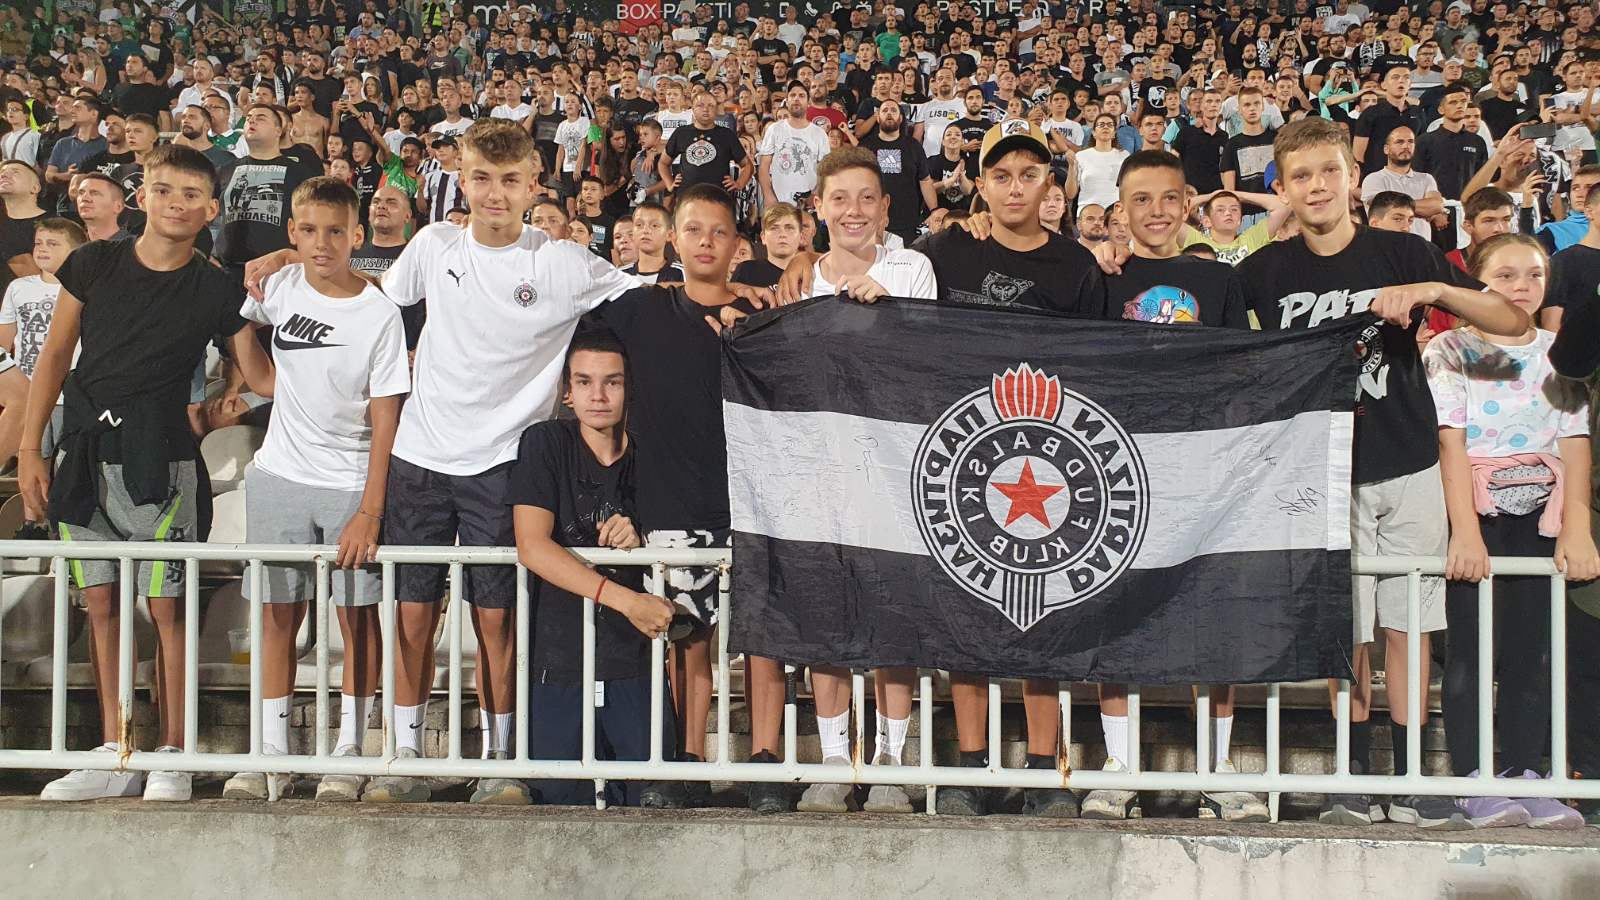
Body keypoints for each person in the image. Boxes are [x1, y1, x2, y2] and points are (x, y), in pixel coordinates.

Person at [246, 119, 643, 806]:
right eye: (482, 179)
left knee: (497, 622)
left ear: (534, 185)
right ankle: (403, 755)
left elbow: (651, 297)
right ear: (462, 180)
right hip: (418, 457)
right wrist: (294, 255)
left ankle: (500, 761)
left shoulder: (564, 263)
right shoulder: (432, 244)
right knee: (412, 614)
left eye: (510, 181)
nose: (495, 194)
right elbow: (366, 296)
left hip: (504, 466)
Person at [1236, 117, 1528, 830]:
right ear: (1282, 188)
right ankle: (1352, 776)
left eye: (1328, 172)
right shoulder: (1264, 270)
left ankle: (1411, 777)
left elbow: (1509, 321)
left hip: (1407, 458)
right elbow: (1196, 319)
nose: (1316, 187)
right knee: (1349, 633)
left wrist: (1434, 288)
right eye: (1300, 176)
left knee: (1410, 628)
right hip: (1322, 471)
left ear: (1352, 180)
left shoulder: (1401, 250)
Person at [28, 144, 274, 802]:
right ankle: (117, 751)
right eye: (164, 190)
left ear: (211, 209)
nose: (176, 204)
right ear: (142, 196)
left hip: (164, 462)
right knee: (101, 605)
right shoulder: (93, 262)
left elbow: (262, 377)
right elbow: (54, 355)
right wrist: (30, 450)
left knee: (168, 610)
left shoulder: (217, 287)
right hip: (83, 456)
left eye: (191, 194)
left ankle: (174, 752)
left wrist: (223, 413)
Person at [578, 184, 783, 814]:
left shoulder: (763, 316)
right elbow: (569, 328)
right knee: (686, 640)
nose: (706, 243)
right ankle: (687, 761)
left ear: (738, 244)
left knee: (764, 642)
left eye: (719, 232)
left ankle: (767, 765)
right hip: (669, 503)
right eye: (693, 230)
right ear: (673, 239)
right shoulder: (641, 309)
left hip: (756, 504)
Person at [1078, 149, 1257, 823]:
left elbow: (1243, 370)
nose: (1155, 211)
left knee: (1213, 613)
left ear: (1188, 205)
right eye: (1140, 200)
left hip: (1203, 466)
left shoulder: (1217, 280)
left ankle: (1218, 767)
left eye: (1168, 198)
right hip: (1119, 467)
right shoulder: (1102, 277)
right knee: (1116, 611)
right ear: (1119, 211)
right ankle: (1119, 766)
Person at [220, 177, 409, 803]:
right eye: (307, 231)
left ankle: (350, 749)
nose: (321, 243)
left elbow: (387, 419)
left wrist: (371, 509)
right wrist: (256, 371)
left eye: (334, 231)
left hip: (350, 484)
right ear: (292, 233)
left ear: (357, 235)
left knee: (357, 620)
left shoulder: (380, 313)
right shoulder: (278, 286)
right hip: (279, 476)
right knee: (278, 616)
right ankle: (271, 752)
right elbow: (253, 351)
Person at [1425, 232, 1594, 830]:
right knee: (1472, 652)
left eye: (1534, 275)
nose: (1522, 287)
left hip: (1542, 517)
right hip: (1478, 514)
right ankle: (1473, 778)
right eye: (1505, 276)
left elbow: (1575, 441)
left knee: (1532, 651)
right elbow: (1451, 443)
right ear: (1477, 282)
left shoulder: (1560, 353)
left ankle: (1526, 771)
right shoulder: (1449, 349)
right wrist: (1465, 532)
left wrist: (1577, 528)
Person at [792, 147, 934, 814]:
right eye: (839, 198)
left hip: (894, 469)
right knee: (825, 616)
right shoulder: (798, 282)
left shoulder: (912, 269)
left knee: (891, 616)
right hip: (816, 470)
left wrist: (893, 313)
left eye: (866, 198)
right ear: (818, 207)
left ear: (885, 207)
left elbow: (931, 361)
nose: (853, 210)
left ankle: (889, 762)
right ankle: (831, 759)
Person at [510, 329, 677, 807]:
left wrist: (641, 533)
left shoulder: (652, 455)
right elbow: (532, 545)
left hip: (635, 661)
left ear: (629, 389)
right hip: (558, 661)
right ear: (567, 391)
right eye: (584, 382)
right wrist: (627, 601)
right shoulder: (546, 442)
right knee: (559, 811)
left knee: (649, 805)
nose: (598, 396)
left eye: (612, 382)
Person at [0, 218, 85, 477]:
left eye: (53, 244)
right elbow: (4, 341)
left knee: (62, 465)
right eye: (39, 243)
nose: (43, 248)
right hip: (28, 387)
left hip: (66, 395)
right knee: (30, 463)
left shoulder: (85, 290)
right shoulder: (19, 288)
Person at [215, 104, 321, 271]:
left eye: (261, 118)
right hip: (228, 270)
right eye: (249, 118)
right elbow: (201, 213)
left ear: (278, 130)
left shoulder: (300, 173)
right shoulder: (225, 170)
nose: (252, 121)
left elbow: (317, 220)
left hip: (280, 270)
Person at [857, 100, 935, 246]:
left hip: (907, 222)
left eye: (893, 110)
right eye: (884, 110)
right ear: (878, 118)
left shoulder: (914, 146)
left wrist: (934, 210)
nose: (889, 113)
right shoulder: (865, 147)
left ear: (900, 118)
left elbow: (925, 181)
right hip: (871, 220)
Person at [1360, 127, 1445, 240]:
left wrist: (1398, 206)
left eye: (1410, 141)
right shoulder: (1374, 179)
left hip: (1421, 247)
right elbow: (1382, 207)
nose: (1406, 146)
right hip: (1388, 244)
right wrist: (1425, 209)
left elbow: (1437, 205)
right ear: (1386, 149)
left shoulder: (1426, 179)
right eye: (1399, 142)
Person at [661, 91, 749, 195]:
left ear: (716, 109)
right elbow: (663, 163)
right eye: (700, 105)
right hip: (687, 198)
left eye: (711, 105)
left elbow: (747, 165)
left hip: (718, 197)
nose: (706, 109)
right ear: (693, 109)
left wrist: (739, 184)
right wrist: (669, 184)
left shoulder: (727, 134)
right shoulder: (681, 133)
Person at [757, 82, 830, 209]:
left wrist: (815, 194)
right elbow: (763, 167)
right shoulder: (774, 129)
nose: (796, 99)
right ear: (787, 101)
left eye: (801, 95)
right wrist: (769, 197)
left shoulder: (819, 134)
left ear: (808, 102)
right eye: (792, 95)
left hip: (808, 205)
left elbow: (825, 171)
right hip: (778, 204)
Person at [733, 203, 805, 288]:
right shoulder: (747, 270)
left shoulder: (813, 272)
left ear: (801, 237)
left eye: (789, 228)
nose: (782, 234)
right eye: (774, 228)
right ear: (763, 237)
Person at [1076, 114, 1129, 211]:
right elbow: (1071, 193)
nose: (1105, 127)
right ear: (1093, 132)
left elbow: (1128, 187)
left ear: (1114, 133)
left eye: (1110, 125)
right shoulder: (1081, 156)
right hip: (1087, 211)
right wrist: (1071, 167)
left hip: (1115, 211)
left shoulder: (1124, 155)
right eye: (1101, 124)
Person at [620, 202, 684, 284]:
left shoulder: (683, 273)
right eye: (639, 225)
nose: (645, 230)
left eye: (654, 226)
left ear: (669, 235)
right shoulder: (620, 275)